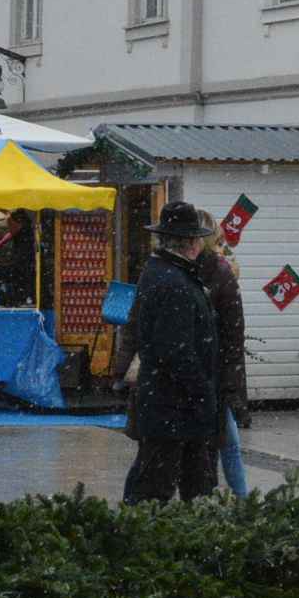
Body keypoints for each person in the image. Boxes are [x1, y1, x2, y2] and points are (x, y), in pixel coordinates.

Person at [123, 201, 220, 502]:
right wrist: (203, 392)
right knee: (156, 488)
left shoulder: (162, 272)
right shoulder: (174, 281)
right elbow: (175, 350)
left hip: (169, 404)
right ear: (191, 243)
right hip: (174, 406)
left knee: (187, 483)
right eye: (199, 239)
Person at [194, 210, 252, 493]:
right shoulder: (216, 271)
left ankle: (237, 496)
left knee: (226, 441)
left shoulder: (217, 271)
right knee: (225, 442)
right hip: (212, 371)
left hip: (212, 372)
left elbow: (232, 333)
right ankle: (237, 497)